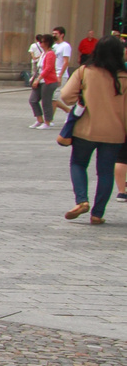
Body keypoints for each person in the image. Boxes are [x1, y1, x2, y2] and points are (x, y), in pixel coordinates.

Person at [58, 35, 127, 224]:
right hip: (114, 132)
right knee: (105, 172)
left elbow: (65, 95)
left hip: (85, 129)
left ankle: (82, 200)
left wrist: (79, 99)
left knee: (78, 164)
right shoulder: (124, 76)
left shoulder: (85, 71)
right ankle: (97, 213)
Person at [29, 34, 59, 128]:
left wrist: (38, 79)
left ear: (47, 43)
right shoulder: (43, 53)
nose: (40, 43)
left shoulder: (50, 53)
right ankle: (39, 119)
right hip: (41, 80)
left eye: (41, 41)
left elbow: (48, 68)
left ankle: (47, 122)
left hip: (48, 81)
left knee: (46, 101)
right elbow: (40, 67)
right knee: (33, 100)